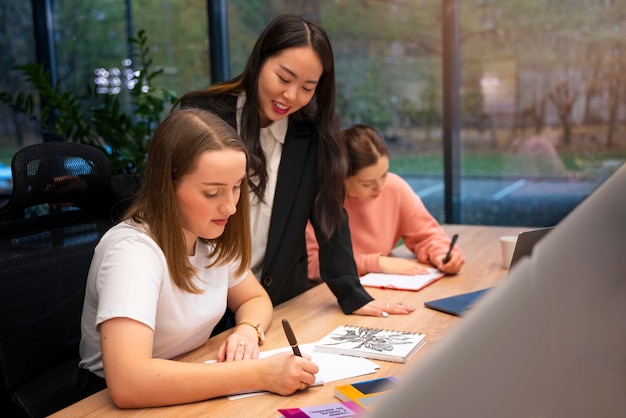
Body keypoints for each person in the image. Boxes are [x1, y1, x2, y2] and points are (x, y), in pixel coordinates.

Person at [177, 14, 413, 321]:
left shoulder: (311, 133)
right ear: (260, 60)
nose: (290, 96)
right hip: (199, 302)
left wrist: (352, 294)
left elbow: (328, 211)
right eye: (284, 78)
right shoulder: (202, 116)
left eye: (307, 87)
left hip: (276, 303)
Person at [78, 109, 318, 409]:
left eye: (235, 188)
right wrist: (257, 374)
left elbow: (254, 299)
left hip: (187, 377)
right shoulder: (132, 253)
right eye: (212, 193)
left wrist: (247, 330)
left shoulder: (208, 236)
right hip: (110, 403)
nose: (230, 207)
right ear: (167, 187)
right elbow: (129, 382)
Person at [306, 124, 464, 281]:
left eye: (383, 175)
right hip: (327, 296)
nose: (380, 188)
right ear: (340, 177)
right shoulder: (318, 201)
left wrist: (442, 254)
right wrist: (376, 263)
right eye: (367, 184)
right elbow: (311, 264)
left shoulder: (395, 187)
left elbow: (426, 236)